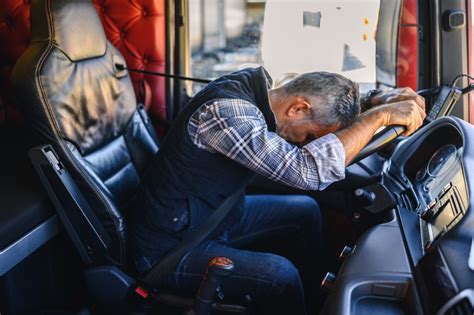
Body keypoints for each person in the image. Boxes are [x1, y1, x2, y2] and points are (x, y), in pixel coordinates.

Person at [130, 67, 425, 314]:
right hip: (169, 246)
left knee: (305, 211)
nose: (307, 143)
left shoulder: (267, 93)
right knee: (280, 276)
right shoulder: (227, 113)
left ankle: (316, 297)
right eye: (311, 136)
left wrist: (378, 99)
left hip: (214, 218)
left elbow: (327, 93)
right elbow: (307, 171)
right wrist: (379, 117)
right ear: (298, 108)